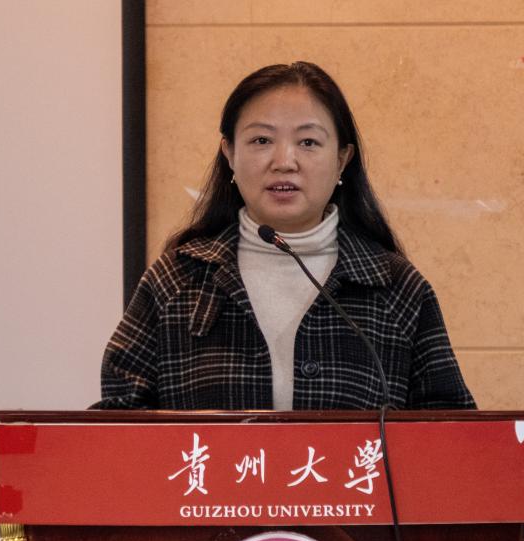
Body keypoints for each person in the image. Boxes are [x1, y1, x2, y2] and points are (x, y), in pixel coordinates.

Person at [94, 62, 474, 411]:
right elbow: (116, 427)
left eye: (308, 142)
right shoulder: (175, 282)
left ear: (342, 159)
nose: (284, 162)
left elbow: (450, 433)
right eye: (261, 141)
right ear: (229, 153)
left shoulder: (396, 289)